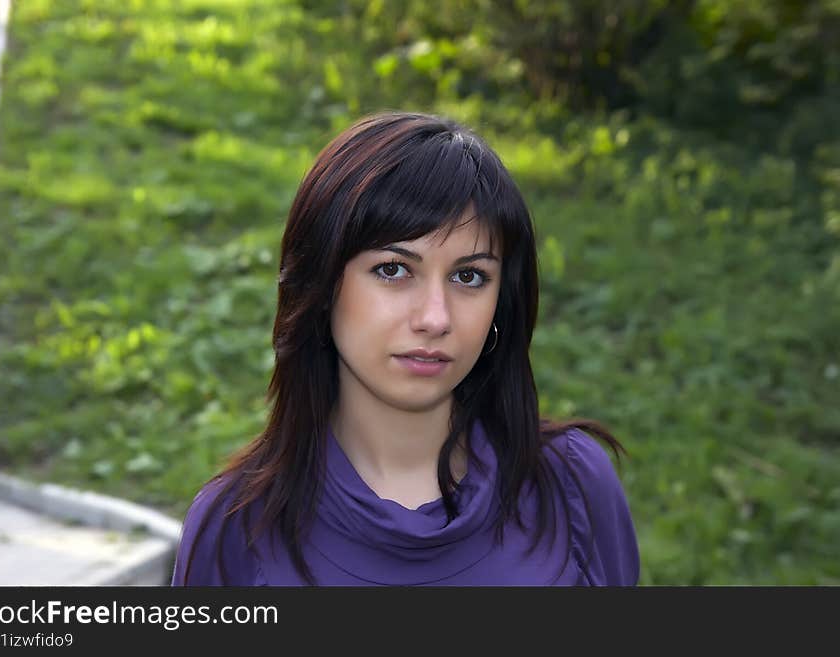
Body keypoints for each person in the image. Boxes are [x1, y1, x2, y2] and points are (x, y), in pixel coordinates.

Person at [171, 111, 639, 586]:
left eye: (468, 276)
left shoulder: (572, 487)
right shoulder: (234, 530)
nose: (435, 318)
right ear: (323, 283)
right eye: (394, 270)